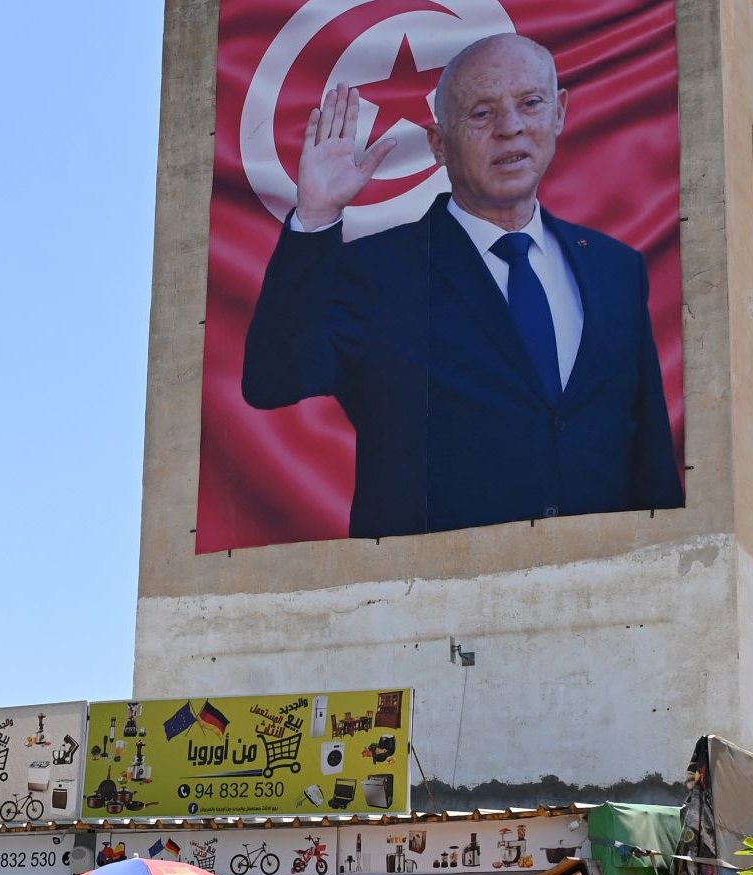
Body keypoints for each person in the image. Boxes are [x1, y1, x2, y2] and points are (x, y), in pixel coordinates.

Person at [242, 33, 683, 538]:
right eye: (481, 114)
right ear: (438, 143)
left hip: (605, 592)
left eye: (530, 103)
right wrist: (317, 216)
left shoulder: (616, 269)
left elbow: (648, 453)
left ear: (559, 112)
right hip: (434, 599)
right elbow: (274, 379)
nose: (511, 128)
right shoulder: (378, 270)